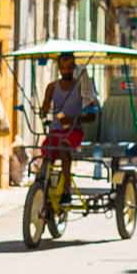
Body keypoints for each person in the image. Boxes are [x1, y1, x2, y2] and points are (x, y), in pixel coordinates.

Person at [38, 53, 98, 202]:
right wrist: (43, 112)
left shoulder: (81, 87)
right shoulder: (52, 87)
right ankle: (41, 185)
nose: (66, 71)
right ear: (59, 68)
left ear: (73, 68)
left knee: (64, 148)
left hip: (74, 131)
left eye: (69, 68)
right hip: (56, 131)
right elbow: (45, 108)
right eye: (63, 68)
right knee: (47, 151)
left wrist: (72, 120)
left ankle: (66, 190)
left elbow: (92, 115)